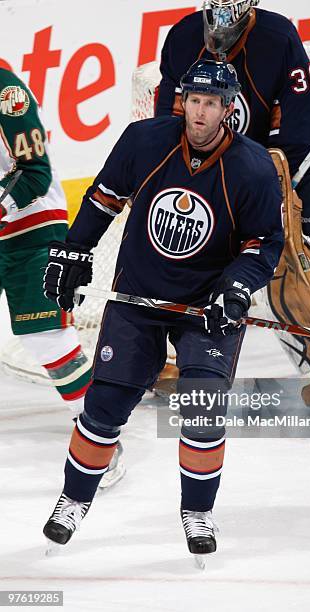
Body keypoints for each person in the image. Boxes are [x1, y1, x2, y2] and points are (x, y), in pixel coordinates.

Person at [41, 59, 284, 558]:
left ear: (227, 107)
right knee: (104, 405)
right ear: (183, 101)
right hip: (139, 297)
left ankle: (197, 511)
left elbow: (263, 244)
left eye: (210, 103)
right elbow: (104, 199)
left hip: (206, 307)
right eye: (193, 100)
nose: (199, 112)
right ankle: (73, 499)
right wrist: (75, 249)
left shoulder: (254, 167)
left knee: (201, 410)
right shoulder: (144, 141)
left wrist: (236, 289)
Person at [155, 0, 310, 409]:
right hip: (212, 159)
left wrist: (271, 192)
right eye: (213, 10)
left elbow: (302, 125)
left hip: (279, 159)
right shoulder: (183, 37)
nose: (219, 23)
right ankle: (164, 358)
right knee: (175, 241)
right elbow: (170, 119)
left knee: (284, 257)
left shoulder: (277, 36)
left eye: (229, 11)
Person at [0, 67, 124, 488]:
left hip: (31, 227)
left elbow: (34, 172)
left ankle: (99, 434)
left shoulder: (6, 90)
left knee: (46, 335)